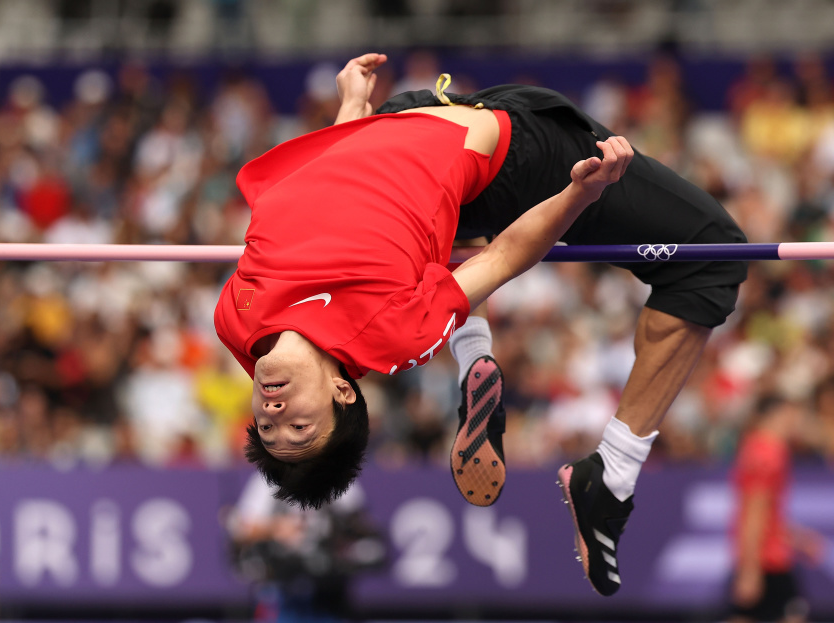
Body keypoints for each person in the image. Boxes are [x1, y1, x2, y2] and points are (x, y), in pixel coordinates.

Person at [213, 53, 747, 596]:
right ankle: (614, 471)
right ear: (342, 393)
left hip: (398, 122)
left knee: (431, 239)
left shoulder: (236, 319)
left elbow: (325, 185)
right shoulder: (389, 331)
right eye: (299, 429)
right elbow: (501, 260)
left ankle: (475, 352)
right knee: (715, 254)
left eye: (269, 429)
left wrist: (350, 108)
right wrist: (578, 194)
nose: (275, 414)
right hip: (511, 156)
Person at [228, 473, 385, 623]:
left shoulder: (337, 475)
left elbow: (361, 526)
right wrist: (275, 528)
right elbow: (242, 531)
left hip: (328, 589)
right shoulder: (269, 477)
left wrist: (335, 534)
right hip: (280, 586)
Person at [729, 395, 825, 623]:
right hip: (769, 558)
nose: (795, 423)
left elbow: (767, 512)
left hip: (766, 553)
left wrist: (798, 538)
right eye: (791, 416)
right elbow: (755, 511)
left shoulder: (754, 446)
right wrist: (750, 568)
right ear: (775, 416)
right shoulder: (769, 453)